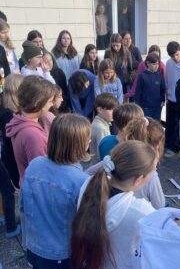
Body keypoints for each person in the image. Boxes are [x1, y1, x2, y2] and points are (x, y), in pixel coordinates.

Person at [71, 141, 157, 269]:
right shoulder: (143, 212)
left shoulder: (89, 185)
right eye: (153, 171)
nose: (154, 172)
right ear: (138, 179)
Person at [22, 114, 90, 269]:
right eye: (88, 138)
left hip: (34, 245)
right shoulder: (81, 181)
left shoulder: (34, 164)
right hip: (61, 253)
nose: (90, 141)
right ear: (80, 144)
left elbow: (23, 206)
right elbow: (87, 228)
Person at [6, 75, 55, 185]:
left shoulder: (18, 121)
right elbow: (41, 175)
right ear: (38, 102)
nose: (52, 104)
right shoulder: (33, 135)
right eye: (50, 101)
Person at [0, 74, 24, 238]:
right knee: (7, 189)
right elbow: (9, 150)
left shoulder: (4, 109)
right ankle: (10, 226)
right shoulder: (9, 115)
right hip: (3, 159)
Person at [135, 53, 165, 121]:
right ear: (148, 63)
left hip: (157, 107)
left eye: (158, 64)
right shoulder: (142, 76)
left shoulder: (159, 75)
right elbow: (138, 93)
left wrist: (163, 100)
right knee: (146, 127)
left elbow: (162, 89)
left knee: (156, 126)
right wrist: (138, 107)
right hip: (146, 108)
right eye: (154, 64)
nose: (156, 66)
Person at [90, 92, 119, 162]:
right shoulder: (101, 129)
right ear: (100, 110)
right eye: (111, 110)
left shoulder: (97, 122)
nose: (114, 112)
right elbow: (104, 155)